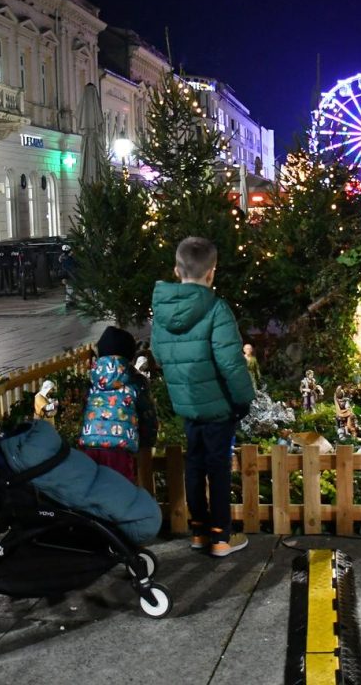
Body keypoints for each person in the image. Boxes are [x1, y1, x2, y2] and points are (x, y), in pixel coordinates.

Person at [151, 237, 255, 557]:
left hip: (187, 404)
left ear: (176, 269)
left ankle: (198, 533)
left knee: (194, 465)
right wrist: (243, 399)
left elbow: (158, 353)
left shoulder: (162, 311)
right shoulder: (216, 308)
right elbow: (230, 362)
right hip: (219, 407)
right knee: (218, 468)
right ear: (212, 273)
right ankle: (221, 537)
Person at [78, 326, 158, 482]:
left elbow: (85, 409)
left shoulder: (92, 379)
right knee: (120, 489)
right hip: (120, 448)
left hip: (90, 445)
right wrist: (148, 441)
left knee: (93, 488)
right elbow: (148, 414)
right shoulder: (136, 381)